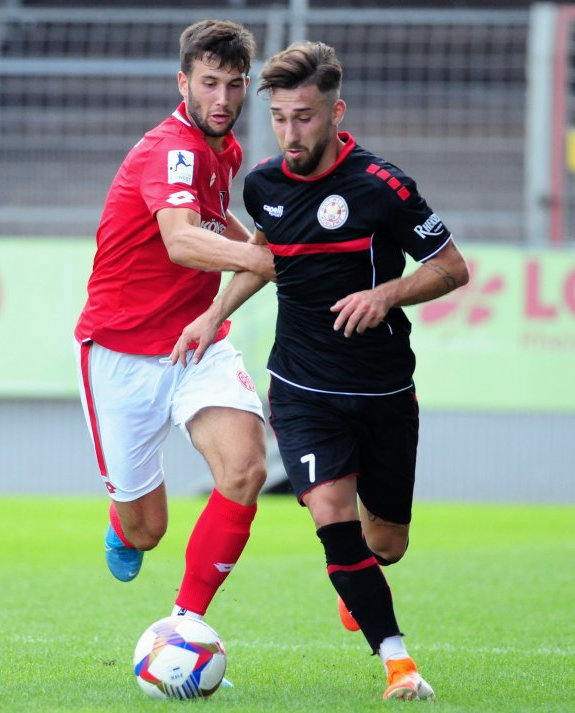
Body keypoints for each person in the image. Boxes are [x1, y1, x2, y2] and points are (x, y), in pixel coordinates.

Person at [170, 41, 469, 701]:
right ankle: (399, 663)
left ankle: (361, 575)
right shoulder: (265, 187)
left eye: (304, 116)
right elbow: (259, 258)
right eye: (279, 117)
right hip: (303, 387)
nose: (290, 131)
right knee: (330, 511)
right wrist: (211, 313)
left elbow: (454, 267)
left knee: (385, 541)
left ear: (337, 112)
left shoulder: (382, 187)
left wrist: (385, 293)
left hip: (385, 387)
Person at [73, 19, 275, 629]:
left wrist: (271, 251)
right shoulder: (171, 149)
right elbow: (183, 241)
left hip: (197, 343)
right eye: (209, 83)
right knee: (147, 531)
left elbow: (215, 223)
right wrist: (263, 259)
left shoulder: (226, 151)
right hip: (121, 353)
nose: (222, 99)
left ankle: (185, 624)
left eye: (234, 85)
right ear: (182, 81)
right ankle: (123, 524)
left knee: (246, 469)